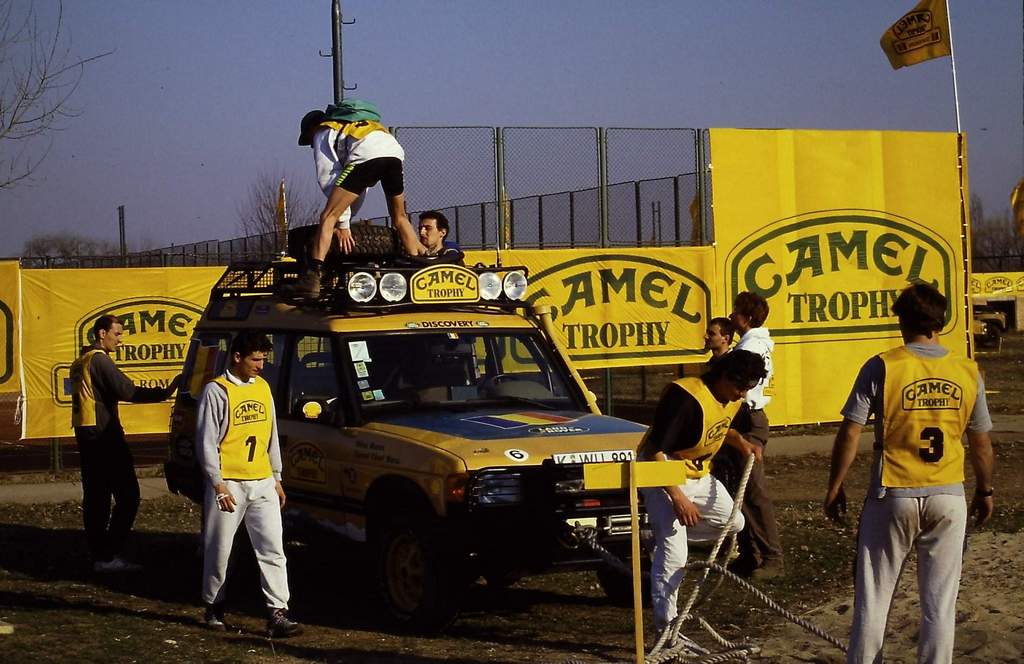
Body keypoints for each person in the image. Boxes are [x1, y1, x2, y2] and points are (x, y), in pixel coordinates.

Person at [824, 282, 994, 664]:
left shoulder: (883, 366)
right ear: (941, 322)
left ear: (902, 321)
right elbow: (981, 443)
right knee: (939, 605)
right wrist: (985, 490)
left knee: (874, 600)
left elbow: (850, 431)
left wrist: (835, 486)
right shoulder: (967, 371)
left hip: (893, 491)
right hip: (947, 494)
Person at [638, 349, 767, 632]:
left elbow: (719, 428)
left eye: (748, 388)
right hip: (662, 472)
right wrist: (678, 497)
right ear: (724, 376)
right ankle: (667, 630)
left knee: (734, 523)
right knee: (674, 555)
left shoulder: (732, 399)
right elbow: (653, 449)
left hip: (698, 473)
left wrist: (741, 442)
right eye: (740, 387)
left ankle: (656, 534)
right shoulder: (686, 397)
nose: (742, 394)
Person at [196, 332, 301, 638]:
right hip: (230, 482)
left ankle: (278, 612)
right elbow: (206, 441)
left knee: (273, 548)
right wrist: (217, 483)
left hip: (262, 480)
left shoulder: (263, 386)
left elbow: (271, 434)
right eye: (255, 359)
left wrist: (277, 476)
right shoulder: (217, 390)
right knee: (220, 549)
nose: (260, 365)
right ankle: (214, 604)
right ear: (237, 357)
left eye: (264, 359)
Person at [71, 314, 180, 572]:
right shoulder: (99, 360)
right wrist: (166, 391)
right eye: (117, 334)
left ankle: (100, 555)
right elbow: (127, 390)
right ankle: (108, 553)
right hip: (103, 437)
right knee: (128, 496)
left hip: (87, 435)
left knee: (97, 497)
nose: (120, 340)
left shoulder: (81, 359)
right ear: (102, 334)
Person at [288, 99, 424, 298]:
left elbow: (329, 177)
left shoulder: (323, 131)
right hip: (393, 151)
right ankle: (419, 270)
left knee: (327, 217)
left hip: (366, 156)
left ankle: (312, 279)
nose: (310, 145)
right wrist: (346, 219)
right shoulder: (356, 126)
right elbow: (357, 189)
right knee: (400, 217)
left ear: (312, 129)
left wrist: (342, 223)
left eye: (308, 140)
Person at [722, 291, 784, 579]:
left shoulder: (751, 346)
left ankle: (773, 558)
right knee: (740, 489)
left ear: (746, 318)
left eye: (736, 311)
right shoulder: (755, 343)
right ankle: (751, 554)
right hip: (745, 417)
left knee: (754, 491)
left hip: (749, 418)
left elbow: (745, 382)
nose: (731, 316)